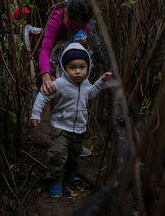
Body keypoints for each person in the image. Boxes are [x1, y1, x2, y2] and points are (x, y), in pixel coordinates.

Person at [31, 42, 112, 197]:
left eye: (82, 67)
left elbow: (91, 93)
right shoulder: (60, 84)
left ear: (88, 68)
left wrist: (100, 81)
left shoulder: (86, 83)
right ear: (65, 68)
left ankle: (70, 172)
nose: (77, 71)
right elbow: (43, 95)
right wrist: (36, 114)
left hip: (79, 128)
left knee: (74, 154)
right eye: (72, 67)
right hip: (61, 127)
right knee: (58, 153)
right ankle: (55, 181)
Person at [38, 0, 94, 156]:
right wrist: (46, 76)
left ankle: (74, 142)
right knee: (57, 94)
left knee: (79, 93)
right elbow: (46, 48)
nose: (72, 25)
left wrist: (81, 38)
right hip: (57, 55)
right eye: (71, 20)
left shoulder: (85, 9)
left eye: (78, 24)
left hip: (73, 54)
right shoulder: (57, 17)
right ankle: (59, 141)